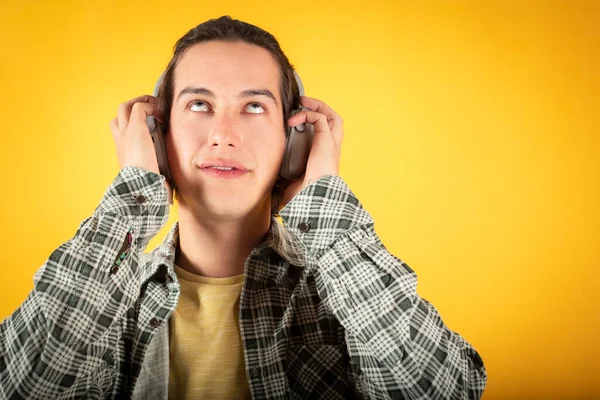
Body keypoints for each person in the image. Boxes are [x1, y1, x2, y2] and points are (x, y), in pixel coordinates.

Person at [0, 16, 486, 399]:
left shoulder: (342, 293)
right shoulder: (109, 302)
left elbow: (445, 389)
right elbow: (19, 387)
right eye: (198, 105)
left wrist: (323, 208)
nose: (223, 135)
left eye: (254, 107)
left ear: (295, 142)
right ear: (156, 136)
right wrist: (133, 200)